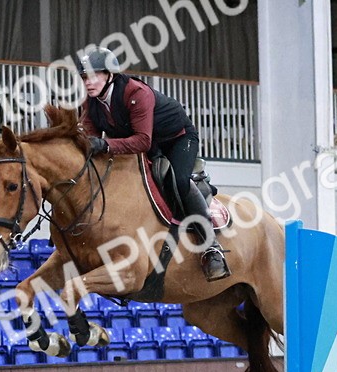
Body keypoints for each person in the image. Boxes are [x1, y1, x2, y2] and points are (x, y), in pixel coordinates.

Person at [76, 47, 230, 282]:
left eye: (94, 75)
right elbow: (91, 141)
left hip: (177, 139)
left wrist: (105, 145)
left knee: (178, 181)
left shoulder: (136, 93)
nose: (88, 82)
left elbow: (142, 140)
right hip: (146, 144)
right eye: (84, 77)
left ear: (110, 75)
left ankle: (212, 248)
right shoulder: (92, 103)